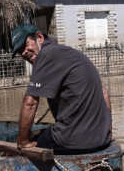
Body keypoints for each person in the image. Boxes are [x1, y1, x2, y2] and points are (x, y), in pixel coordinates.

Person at [12, 24, 112, 155]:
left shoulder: (45, 55)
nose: (24, 52)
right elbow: (104, 93)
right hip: (103, 139)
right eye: (20, 51)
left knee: (26, 145)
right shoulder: (68, 53)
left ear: (39, 37)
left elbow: (30, 103)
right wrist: (108, 131)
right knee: (42, 132)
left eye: (25, 46)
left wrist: (22, 142)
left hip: (73, 141)